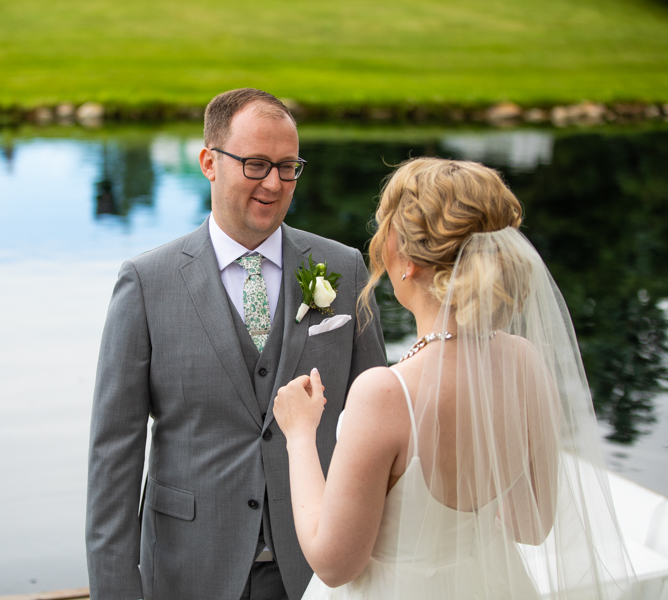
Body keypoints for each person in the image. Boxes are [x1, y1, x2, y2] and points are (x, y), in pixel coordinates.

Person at [274, 157, 637, 599]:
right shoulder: (525, 363)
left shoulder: (387, 392)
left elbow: (334, 564)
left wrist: (299, 433)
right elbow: (532, 525)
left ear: (405, 258)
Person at [85, 88, 387, 600]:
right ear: (209, 162)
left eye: (288, 166)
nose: (274, 183)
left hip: (321, 574)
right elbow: (114, 457)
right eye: (256, 164)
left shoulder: (344, 268)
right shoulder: (146, 283)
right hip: (189, 572)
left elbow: (376, 428)